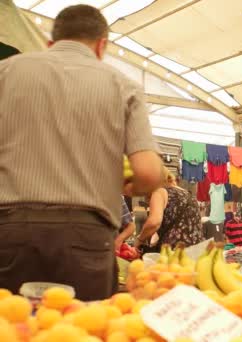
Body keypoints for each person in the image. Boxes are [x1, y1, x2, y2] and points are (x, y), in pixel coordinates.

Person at [0, 5, 162, 300]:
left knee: (13, 325)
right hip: (86, 236)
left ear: (51, 44)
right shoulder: (123, 85)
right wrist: (131, 185)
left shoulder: (7, 71)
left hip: (11, 231)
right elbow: (150, 173)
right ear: (102, 45)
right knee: (85, 326)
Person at [134, 168, 205, 252]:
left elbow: (154, 222)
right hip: (197, 250)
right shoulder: (186, 193)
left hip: (174, 252)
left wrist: (140, 239)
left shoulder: (159, 192)